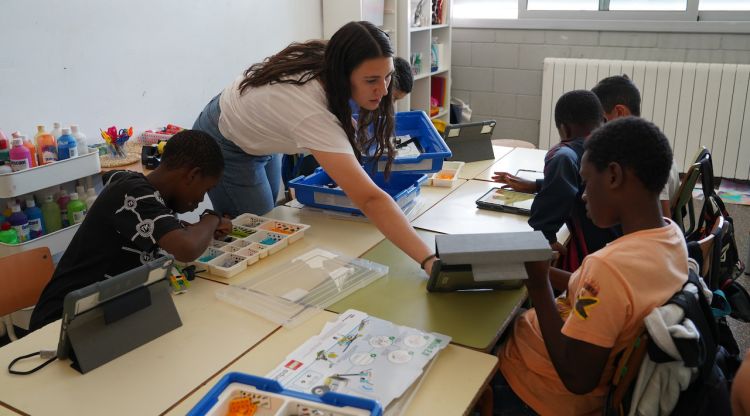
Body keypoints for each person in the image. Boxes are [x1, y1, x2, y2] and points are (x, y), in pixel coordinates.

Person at [193, 21, 437, 274]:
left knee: (270, 220)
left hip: (254, 124)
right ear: (344, 75)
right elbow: (370, 199)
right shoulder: (309, 112)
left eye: (387, 76)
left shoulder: (334, 59)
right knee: (261, 233)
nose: (384, 89)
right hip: (227, 141)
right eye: (371, 80)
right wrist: (429, 259)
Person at [495, 117, 689, 415]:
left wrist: (538, 283)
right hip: (551, 365)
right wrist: (544, 270)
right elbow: (608, 293)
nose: (582, 194)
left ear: (613, 176)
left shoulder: (608, 268)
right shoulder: (669, 235)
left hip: (538, 392)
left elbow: (577, 377)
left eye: (586, 182)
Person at [29, 130, 231, 330]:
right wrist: (212, 217)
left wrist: (196, 229)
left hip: (104, 316)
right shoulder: (133, 194)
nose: (201, 199)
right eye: (205, 190)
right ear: (192, 175)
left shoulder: (149, 194)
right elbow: (186, 248)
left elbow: (164, 231)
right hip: (60, 323)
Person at [498, 90, 619, 271]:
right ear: (602, 119)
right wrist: (538, 185)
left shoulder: (563, 154)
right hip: (618, 245)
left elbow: (557, 197)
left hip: (593, 258)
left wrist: (546, 236)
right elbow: (579, 184)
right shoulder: (615, 143)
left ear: (565, 129)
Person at [592, 75, 681, 216]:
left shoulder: (645, 160)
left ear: (620, 112)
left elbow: (663, 222)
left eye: (602, 119)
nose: (597, 128)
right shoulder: (649, 142)